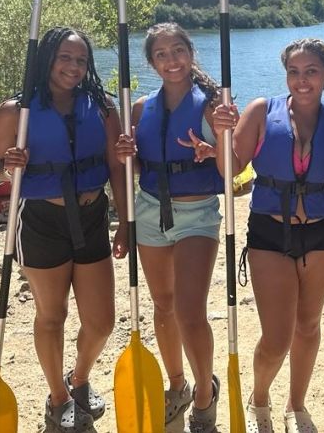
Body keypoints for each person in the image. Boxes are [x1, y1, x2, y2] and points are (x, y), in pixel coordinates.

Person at [211, 38, 324, 433]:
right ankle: (260, 397)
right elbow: (229, 169)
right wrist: (221, 134)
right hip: (270, 232)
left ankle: (296, 405)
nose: (302, 81)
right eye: (294, 72)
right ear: (286, 75)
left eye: (311, 72)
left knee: (309, 324)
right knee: (277, 336)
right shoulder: (261, 112)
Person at [0, 26, 128, 433]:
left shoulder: (102, 107)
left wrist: (124, 221)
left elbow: (116, 167)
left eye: (81, 60)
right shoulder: (15, 111)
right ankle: (58, 397)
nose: (73, 67)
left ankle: (79, 377)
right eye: (65, 58)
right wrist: (8, 165)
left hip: (92, 216)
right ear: (47, 58)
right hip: (42, 221)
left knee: (101, 321)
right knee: (53, 315)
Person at [114, 22, 224, 433]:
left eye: (178, 50)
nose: (171, 59)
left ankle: (203, 395)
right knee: (163, 306)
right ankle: (177, 385)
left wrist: (214, 151)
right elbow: (140, 167)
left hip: (196, 214)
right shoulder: (141, 109)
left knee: (189, 310)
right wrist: (129, 155)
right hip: (149, 212)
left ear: (190, 53)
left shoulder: (213, 106)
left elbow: (233, 170)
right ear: (152, 62)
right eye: (161, 54)